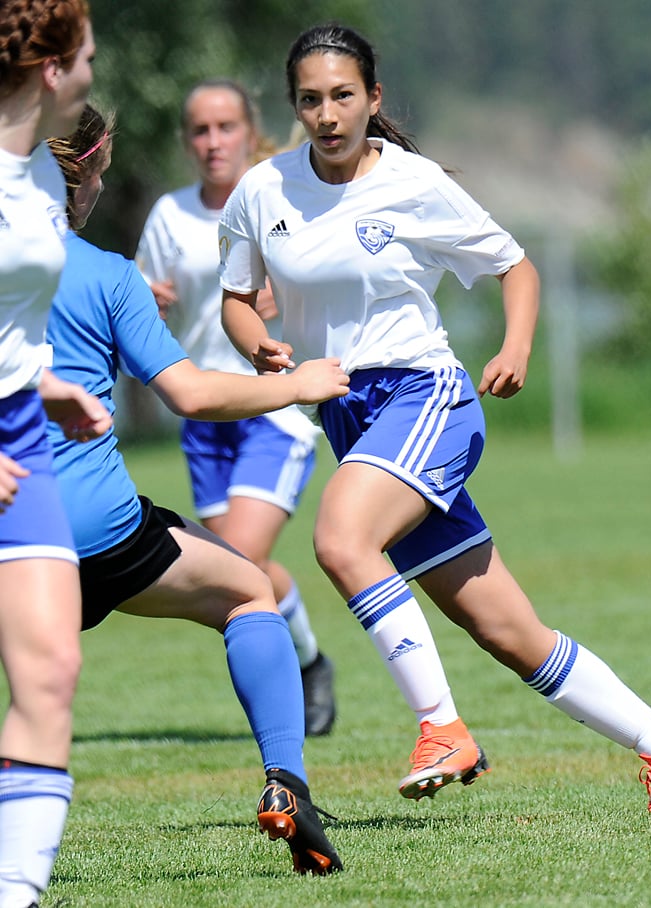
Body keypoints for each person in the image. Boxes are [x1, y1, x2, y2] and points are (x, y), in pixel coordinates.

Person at [219, 22, 651, 815]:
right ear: (294, 106)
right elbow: (238, 301)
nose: (327, 114)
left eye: (343, 96)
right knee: (509, 632)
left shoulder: (411, 182)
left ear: (372, 98)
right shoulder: (264, 190)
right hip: (352, 422)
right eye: (310, 100)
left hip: (425, 399)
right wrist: (266, 354)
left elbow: (514, 264)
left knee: (341, 540)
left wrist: (516, 345)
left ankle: (442, 727)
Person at [45, 105, 348, 874]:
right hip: (96, 528)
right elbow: (192, 393)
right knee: (248, 591)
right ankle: (289, 784)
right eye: (103, 175)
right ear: (82, 173)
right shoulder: (104, 274)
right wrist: (296, 385)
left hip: (14, 524)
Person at [135, 80, 336, 737]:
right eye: (200, 130)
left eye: (225, 126)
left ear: (251, 131)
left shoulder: (281, 200)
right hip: (205, 415)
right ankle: (310, 660)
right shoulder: (169, 215)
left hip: (274, 409)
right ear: (188, 141)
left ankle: (293, 690)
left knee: (239, 560)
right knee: (237, 560)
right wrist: (143, 298)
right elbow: (139, 298)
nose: (214, 141)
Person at [0, 4, 110, 906]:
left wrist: (43, 382)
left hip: (20, 435)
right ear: (50, 65)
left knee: (49, 668)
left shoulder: (39, 172)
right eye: (89, 56)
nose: (95, 71)